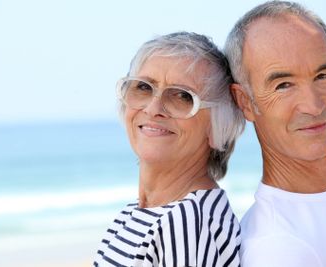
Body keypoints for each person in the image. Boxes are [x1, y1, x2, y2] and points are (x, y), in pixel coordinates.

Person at [93, 32, 245, 266]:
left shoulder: (187, 223)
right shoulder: (138, 211)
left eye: (183, 96)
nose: (154, 108)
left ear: (217, 127)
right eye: (143, 87)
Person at [224, 1, 326, 266]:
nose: (314, 105)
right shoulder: (276, 249)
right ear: (245, 101)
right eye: (284, 85)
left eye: (323, 76)